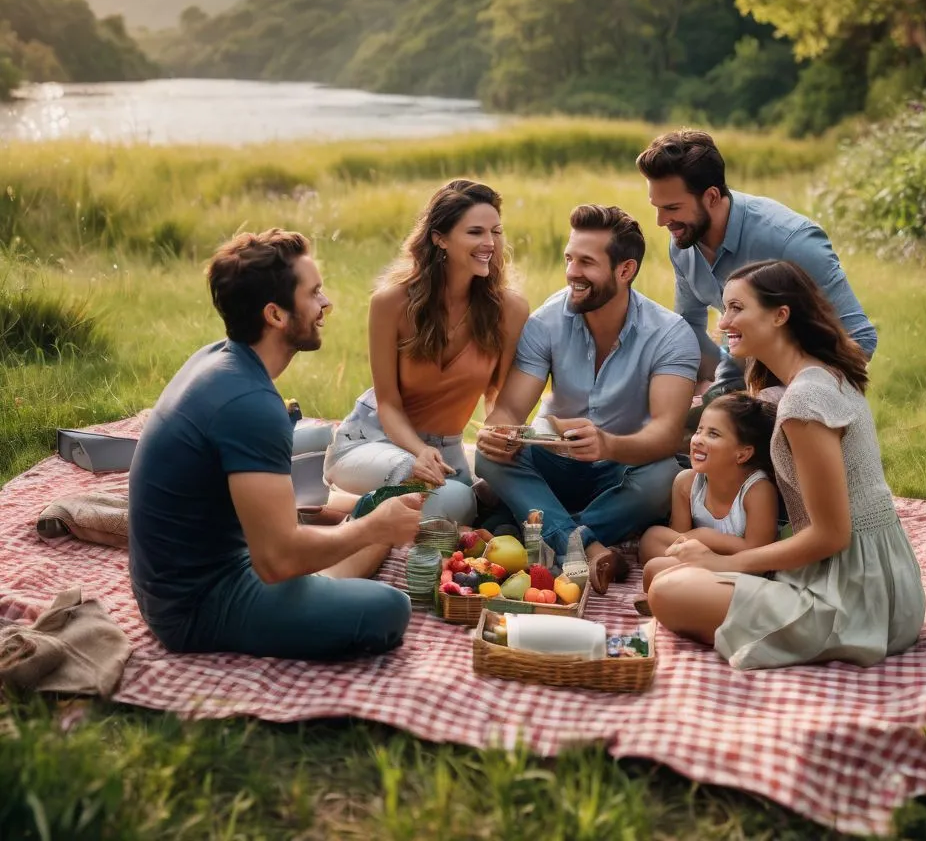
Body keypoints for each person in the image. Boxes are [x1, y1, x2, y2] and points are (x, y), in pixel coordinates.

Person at [128, 229, 419, 660]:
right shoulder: (250, 404)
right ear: (276, 315)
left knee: (372, 514)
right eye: (314, 293)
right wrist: (371, 529)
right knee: (389, 609)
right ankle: (326, 585)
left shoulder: (217, 358)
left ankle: (327, 578)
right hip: (197, 607)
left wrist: (369, 525)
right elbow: (276, 560)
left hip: (198, 575)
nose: (326, 304)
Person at [646, 260, 926, 669]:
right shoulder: (811, 380)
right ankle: (726, 606)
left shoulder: (805, 401)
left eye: (737, 308)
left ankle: (741, 614)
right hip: (861, 576)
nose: (723, 322)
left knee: (668, 592)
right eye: (724, 309)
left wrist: (725, 562)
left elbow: (832, 535)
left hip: (855, 595)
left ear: (780, 315)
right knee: (659, 572)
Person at [474, 204, 700, 593]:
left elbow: (665, 434)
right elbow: (511, 408)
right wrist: (498, 431)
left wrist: (608, 444)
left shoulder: (670, 334)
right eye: (569, 258)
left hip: (621, 470)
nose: (572, 273)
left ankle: (532, 532)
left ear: (625, 270)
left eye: (586, 262)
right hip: (555, 463)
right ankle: (588, 545)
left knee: (666, 477)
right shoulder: (546, 321)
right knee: (485, 455)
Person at [323, 179, 529, 526]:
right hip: (373, 440)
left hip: (447, 451)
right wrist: (417, 453)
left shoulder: (510, 309)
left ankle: (358, 510)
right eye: (475, 232)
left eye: (495, 231)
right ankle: (362, 516)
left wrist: (501, 440)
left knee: (468, 505)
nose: (489, 243)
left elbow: (498, 398)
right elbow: (387, 402)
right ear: (440, 238)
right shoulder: (390, 302)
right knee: (453, 498)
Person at [636, 129, 877, 410]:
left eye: (672, 208)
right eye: (657, 207)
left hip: (808, 397)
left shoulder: (790, 241)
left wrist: (781, 399)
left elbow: (860, 340)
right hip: (746, 381)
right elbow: (689, 328)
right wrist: (707, 391)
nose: (661, 221)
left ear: (712, 197)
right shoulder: (683, 241)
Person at [638, 392, 780, 591]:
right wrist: (695, 545)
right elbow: (679, 540)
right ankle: (675, 584)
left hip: (737, 568)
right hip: (695, 558)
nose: (698, 440)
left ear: (742, 453)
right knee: (652, 537)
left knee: (656, 568)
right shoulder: (686, 483)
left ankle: (673, 586)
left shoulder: (757, 490)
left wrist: (705, 537)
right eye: (699, 431)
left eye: (713, 434)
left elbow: (757, 552)